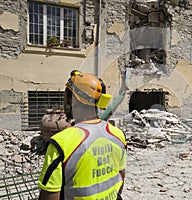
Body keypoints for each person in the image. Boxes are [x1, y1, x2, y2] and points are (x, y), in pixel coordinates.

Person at [38, 71, 127, 200]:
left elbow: (49, 196)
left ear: (71, 99)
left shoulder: (61, 142)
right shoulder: (117, 135)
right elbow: (120, 175)